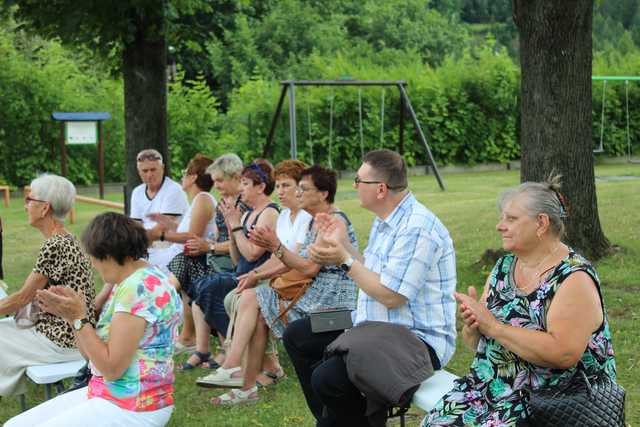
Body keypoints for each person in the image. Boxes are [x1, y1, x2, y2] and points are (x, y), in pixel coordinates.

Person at [423, 177, 617, 427]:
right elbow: (474, 343)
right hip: (492, 390)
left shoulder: (573, 277)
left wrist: (493, 326)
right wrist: (473, 325)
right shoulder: (504, 267)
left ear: (541, 223)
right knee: (434, 422)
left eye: (511, 219)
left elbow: (563, 353)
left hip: (553, 400)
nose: (499, 226)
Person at [283, 149, 457, 426]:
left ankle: (347, 419)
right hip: (372, 324)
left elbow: (391, 296)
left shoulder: (417, 227)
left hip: (413, 338)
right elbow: (373, 271)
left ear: (380, 189)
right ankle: (334, 418)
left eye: (358, 180)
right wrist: (343, 245)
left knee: (328, 378)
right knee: (298, 334)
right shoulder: (386, 219)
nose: (353, 186)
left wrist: (344, 259)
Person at [200, 164, 358, 406]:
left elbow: (308, 268)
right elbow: (294, 262)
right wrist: (256, 273)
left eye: (303, 189)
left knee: (253, 300)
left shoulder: (333, 222)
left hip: (334, 313)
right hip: (313, 301)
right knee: (254, 301)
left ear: (323, 194)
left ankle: (236, 372)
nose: (297, 193)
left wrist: (275, 246)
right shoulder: (319, 221)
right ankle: (243, 382)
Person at [5, 212, 182, 427]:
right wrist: (71, 318)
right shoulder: (142, 277)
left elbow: (111, 368)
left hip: (132, 406)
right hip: (116, 396)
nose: (92, 263)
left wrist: (79, 317)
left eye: (93, 256)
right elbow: (92, 358)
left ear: (108, 254)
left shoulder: (137, 289)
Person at [0, 174, 96, 398]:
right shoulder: (65, 238)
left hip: (63, 339)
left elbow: (21, 298)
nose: (25, 205)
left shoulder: (55, 245)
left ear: (45, 208)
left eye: (29, 199)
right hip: (69, 332)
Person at [181, 159, 279, 370]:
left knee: (210, 287)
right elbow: (238, 260)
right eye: (241, 183)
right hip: (243, 273)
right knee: (202, 286)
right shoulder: (247, 212)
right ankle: (219, 350)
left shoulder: (268, 212)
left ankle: (233, 352)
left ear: (260, 187)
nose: (241, 188)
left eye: (245, 184)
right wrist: (232, 227)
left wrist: (234, 227)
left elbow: (252, 255)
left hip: (259, 278)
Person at [169, 153, 245, 353]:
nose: (216, 185)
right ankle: (193, 341)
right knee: (186, 262)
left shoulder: (243, 203)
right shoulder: (223, 202)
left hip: (234, 263)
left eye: (220, 180)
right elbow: (220, 237)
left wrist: (209, 247)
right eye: (215, 181)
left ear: (236, 177)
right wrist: (209, 243)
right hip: (221, 260)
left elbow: (243, 242)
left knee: (188, 265)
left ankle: (164, 305)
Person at [129, 148, 189, 257]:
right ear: (139, 172)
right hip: (147, 240)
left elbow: (163, 227)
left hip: (169, 242)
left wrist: (138, 244)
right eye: (145, 171)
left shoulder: (174, 190)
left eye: (153, 170)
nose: (149, 175)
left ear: (162, 168)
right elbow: (136, 224)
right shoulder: (137, 192)